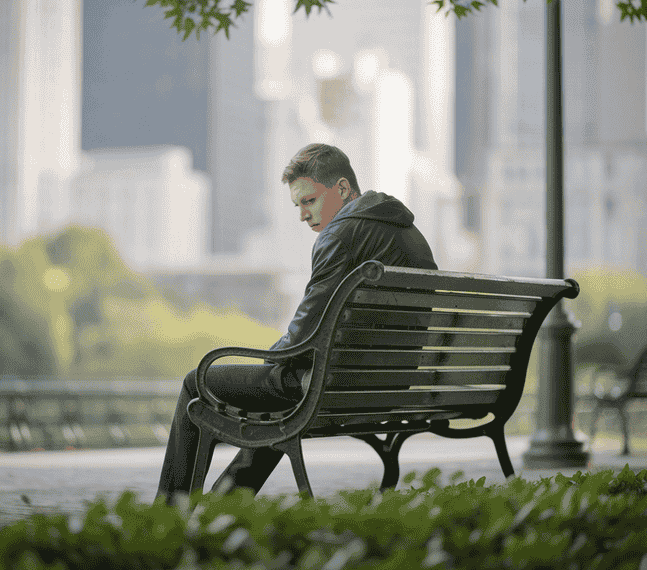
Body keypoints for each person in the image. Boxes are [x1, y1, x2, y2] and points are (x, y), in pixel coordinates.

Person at [156, 143, 438, 501]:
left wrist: (268, 362)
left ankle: (166, 513)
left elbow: (305, 330)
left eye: (309, 201)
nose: (303, 215)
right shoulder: (405, 231)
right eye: (297, 205)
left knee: (197, 382)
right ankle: (223, 504)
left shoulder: (340, 233)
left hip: (341, 387)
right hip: (390, 386)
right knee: (282, 402)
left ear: (341, 189)